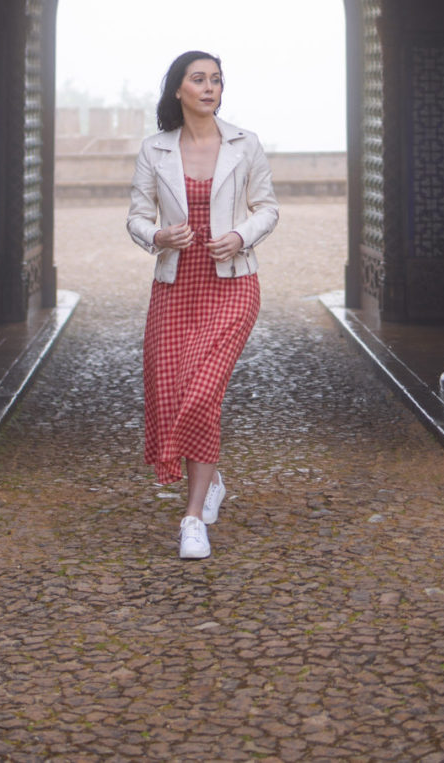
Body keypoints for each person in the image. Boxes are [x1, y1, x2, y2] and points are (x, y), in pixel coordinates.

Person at [127, 51, 279, 559]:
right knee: (171, 393)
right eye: (199, 79)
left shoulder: (245, 144)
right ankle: (210, 479)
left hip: (232, 285)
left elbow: (267, 208)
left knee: (201, 394)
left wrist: (240, 235)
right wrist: (158, 236)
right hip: (175, 287)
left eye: (216, 79)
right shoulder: (154, 149)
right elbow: (136, 217)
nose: (210, 87)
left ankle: (192, 519)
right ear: (178, 89)